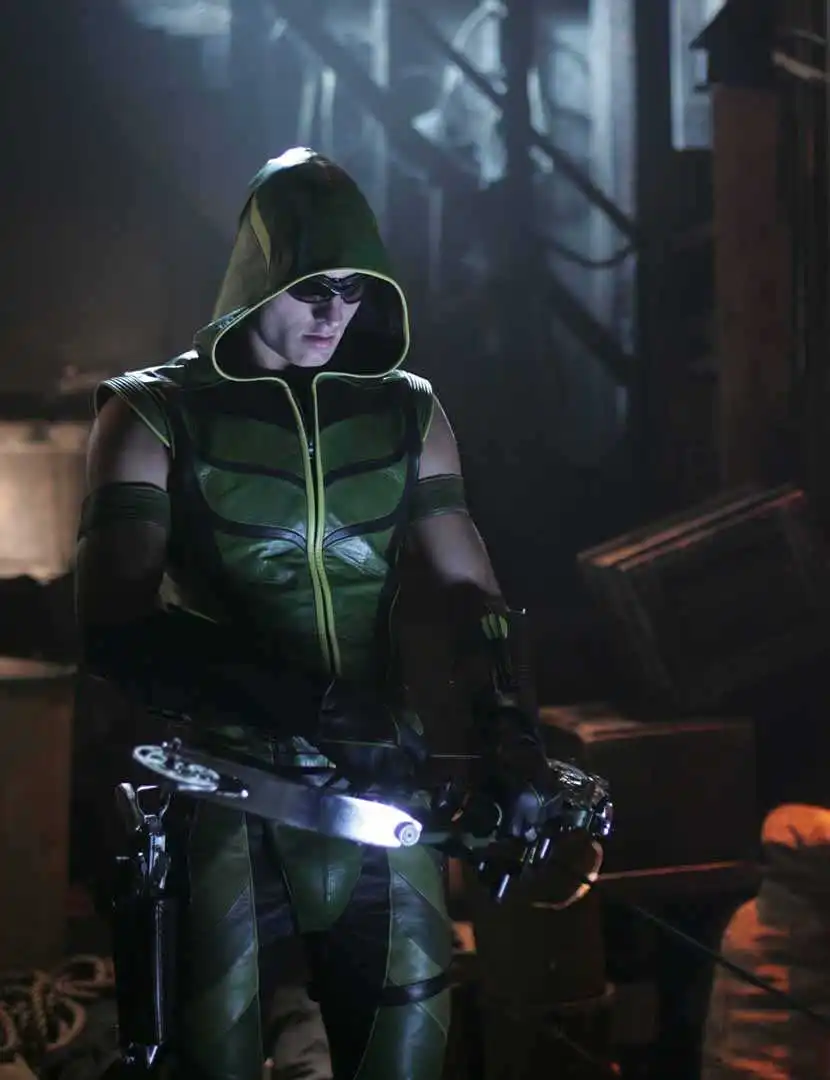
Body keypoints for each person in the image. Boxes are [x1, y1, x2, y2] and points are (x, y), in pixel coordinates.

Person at [75, 147, 553, 1080]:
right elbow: (114, 626)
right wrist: (317, 707)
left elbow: (473, 593)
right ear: (260, 277)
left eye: (356, 290)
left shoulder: (409, 411)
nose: (336, 314)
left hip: (382, 797)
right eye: (314, 289)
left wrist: (511, 729)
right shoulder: (151, 411)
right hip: (226, 795)